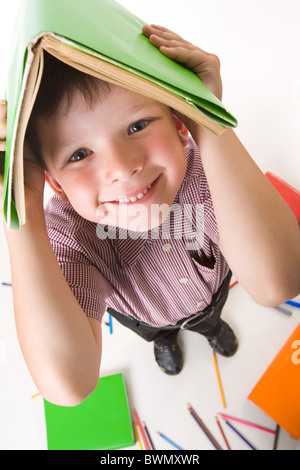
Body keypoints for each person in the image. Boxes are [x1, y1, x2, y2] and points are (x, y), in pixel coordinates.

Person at [1, 25, 300, 406]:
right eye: (78, 154)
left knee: (211, 317)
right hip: (147, 318)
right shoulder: (70, 236)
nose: (123, 168)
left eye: (137, 126)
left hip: (211, 293)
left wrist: (207, 117)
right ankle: (166, 342)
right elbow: (67, 385)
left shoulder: (206, 171)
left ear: (179, 124)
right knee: (160, 334)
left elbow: (279, 280)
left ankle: (209, 329)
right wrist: (21, 211)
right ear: (54, 184)